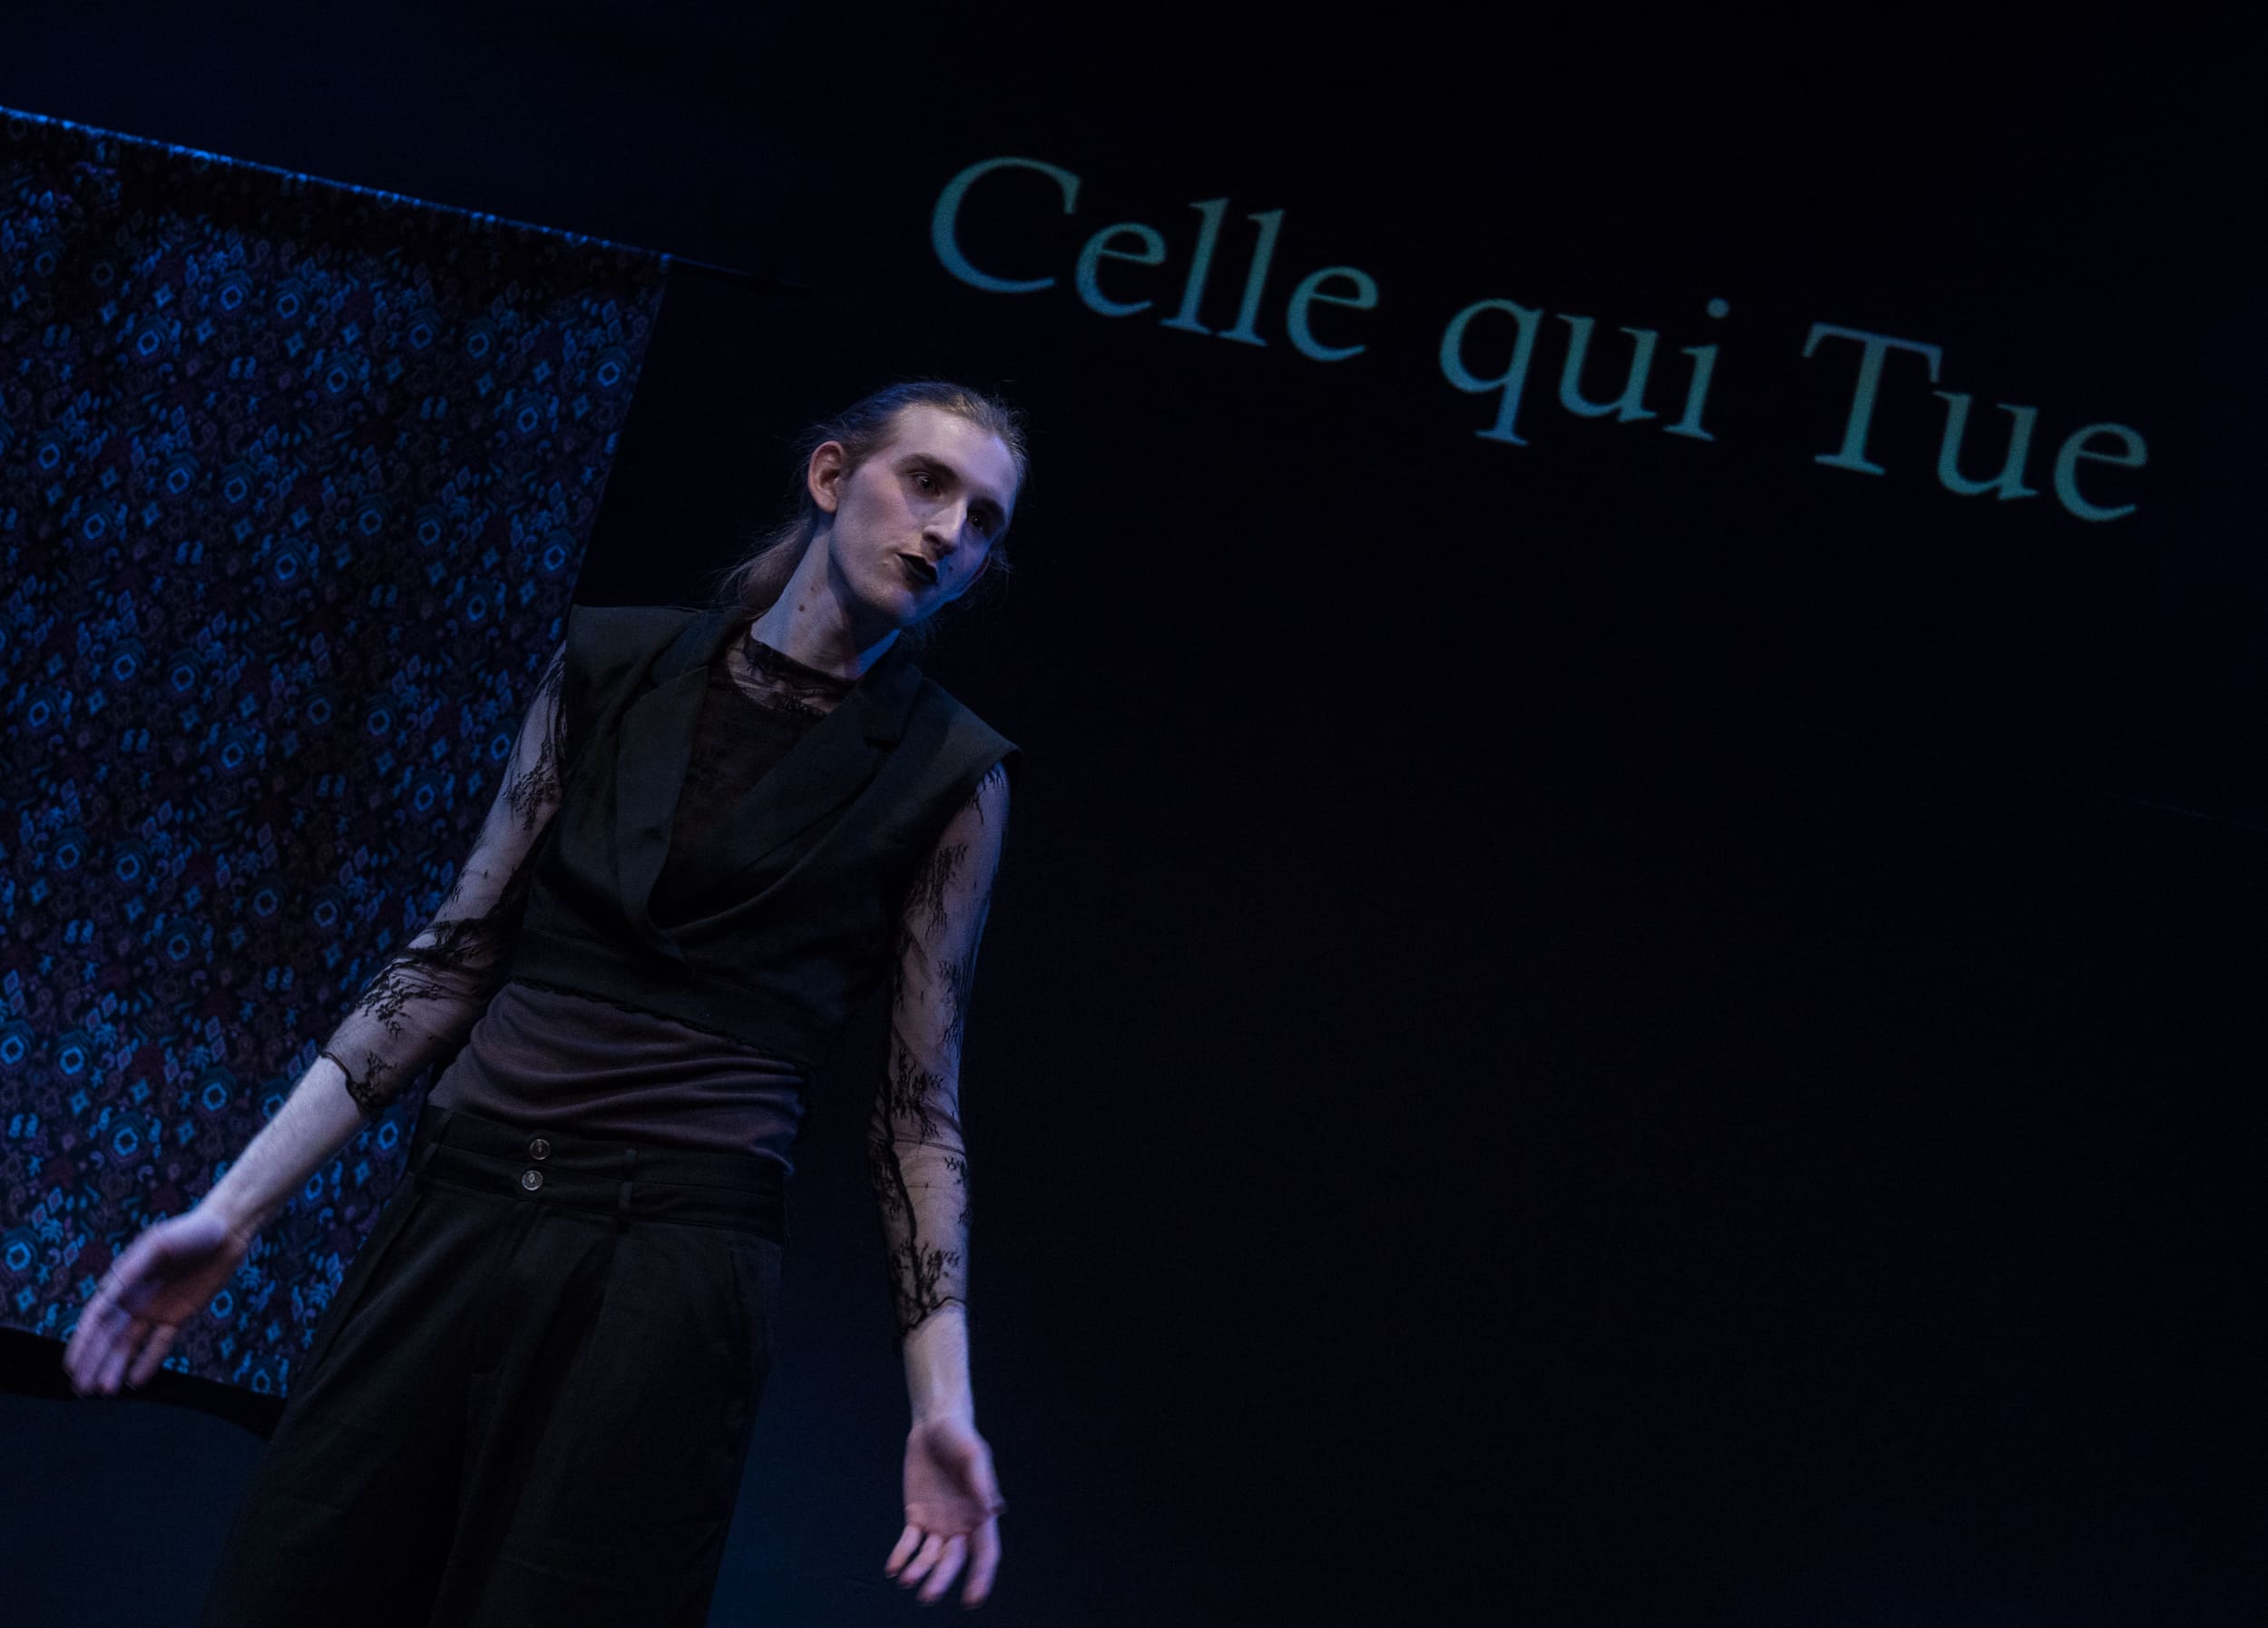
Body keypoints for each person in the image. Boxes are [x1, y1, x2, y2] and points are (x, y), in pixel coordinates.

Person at [61, 379, 1028, 1623]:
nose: (949, 532)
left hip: (668, 1268)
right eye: (928, 484)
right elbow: (453, 955)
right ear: (833, 476)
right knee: (299, 1583)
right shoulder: (613, 667)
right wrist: (231, 1211)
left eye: (985, 521)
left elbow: (915, 1113)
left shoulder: (951, 775)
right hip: (461, 1209)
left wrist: (942, 1403)